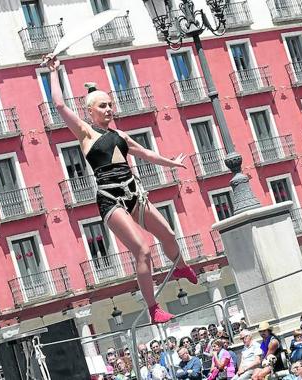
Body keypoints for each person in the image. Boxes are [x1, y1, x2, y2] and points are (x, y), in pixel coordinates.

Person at [44, 55, 197, 324]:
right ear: (90, 111)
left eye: (110, 105)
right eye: (102, 106)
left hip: (133, 192)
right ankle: (153, 309)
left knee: (169, 233)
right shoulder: (85, 133)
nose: (108, 109)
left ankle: (180, 267)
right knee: (143, 250)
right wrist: (53, 71)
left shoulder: (121, 136)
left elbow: (146, 153)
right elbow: (58, 104)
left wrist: (171, 163)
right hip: (110, 199)